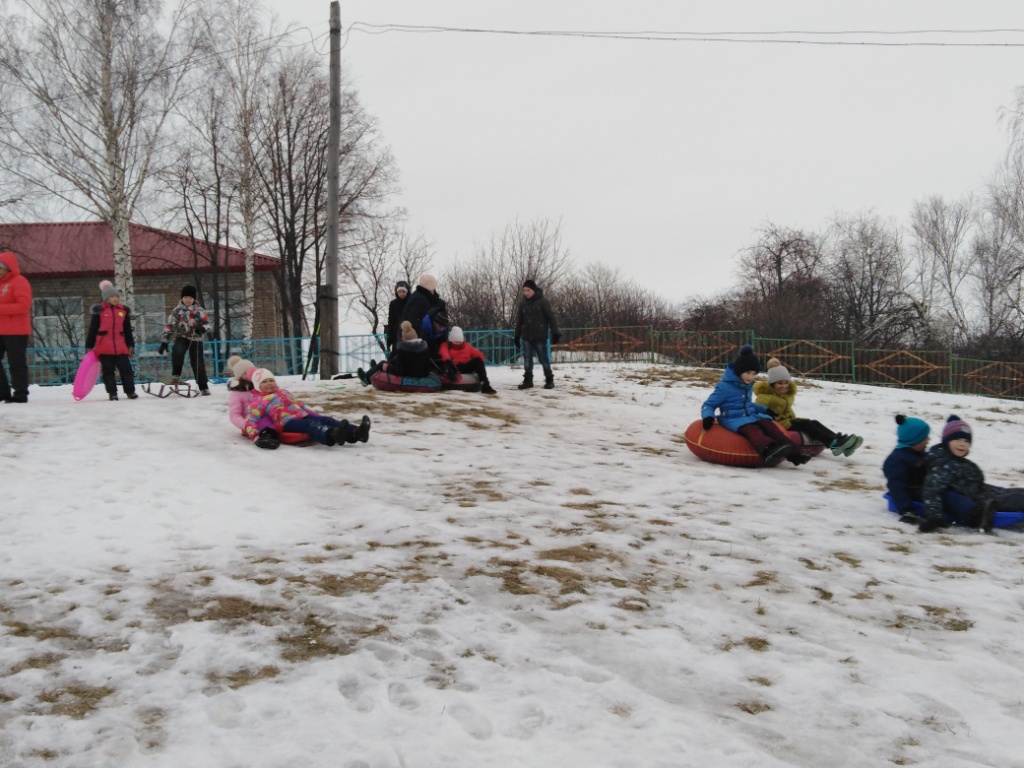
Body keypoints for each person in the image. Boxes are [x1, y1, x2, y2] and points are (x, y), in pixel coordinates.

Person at [700, 344, 806, 467]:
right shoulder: (724, 387)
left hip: (750, 415)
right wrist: (708, 417)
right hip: (733, 418)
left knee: (769, 425)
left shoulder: (747, 386)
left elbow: (748, 404)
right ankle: (769, 451)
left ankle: (794, 453)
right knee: (753, 430)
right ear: (739, 371)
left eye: (754, 373)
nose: (751, 377)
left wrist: (765, 410)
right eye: (748, 373)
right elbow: (708, 405)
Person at [918, 414, 1024, 533]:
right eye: (957, 439)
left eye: (966, 441)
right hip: (976, 499)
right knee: (1016, 499)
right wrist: (934, 517)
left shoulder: (954, 459)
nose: (962, 444)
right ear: (946, 441)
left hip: (981, 490)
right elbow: (931, 489)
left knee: (1016, 492)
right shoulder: (943, 464)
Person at [753, 358, 862, 457]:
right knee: (806, 424)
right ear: (772, 385)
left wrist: (793, 418)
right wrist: (772, 419)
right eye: (780, 383)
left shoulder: (785, 396)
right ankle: (833, 443)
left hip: (788, 421)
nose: (784, 386)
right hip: (778, 425)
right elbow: (757, 410)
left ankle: (838, 440)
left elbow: (788, 410)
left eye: (786, 383)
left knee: (814, 422)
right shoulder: (765, 396)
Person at [244, 368, 372, 447]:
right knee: (310, 425)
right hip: (287, 422)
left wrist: (314, 415)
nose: (269, 384)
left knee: (327, 420)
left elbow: (299, 405)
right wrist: (256, 436)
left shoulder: (283, 392)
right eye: (264, 382)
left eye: (271, 380)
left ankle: (356, 432)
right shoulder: (258, 401)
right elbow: (252, 419)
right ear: (257, 385)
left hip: (300, 415)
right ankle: (331, 435)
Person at [85, 281, 138, 401]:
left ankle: (130, 391)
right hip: (104, 348)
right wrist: (89, 345)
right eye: (112, 296)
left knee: (126, 369)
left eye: (117, 296)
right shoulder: (99, 311)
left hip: (120, 347)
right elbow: (93, 329)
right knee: (108, 371)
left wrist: (130, 345)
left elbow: (127, 330)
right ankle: (112, 393)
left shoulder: (122, 311)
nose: (115, 299)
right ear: (106, 298)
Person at [159, 285, 211, 395]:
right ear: (182, 298)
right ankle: (176, 375)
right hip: (181, 337)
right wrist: (164, 341)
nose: (188, 300)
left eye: (190, 298)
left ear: (194, 299)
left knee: (197, 362)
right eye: (186, 297)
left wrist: (202, 329)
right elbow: (169, 325)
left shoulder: (200, 311)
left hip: (196, 339)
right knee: (177, 351)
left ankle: (203, 387)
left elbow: (208, 325)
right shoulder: (177, 311)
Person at [882, 414, 932, 520]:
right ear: (915, 440)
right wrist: (907, 510)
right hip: (912, 493)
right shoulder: (896, 460)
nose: (928, 439)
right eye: (925, 437)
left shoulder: (919, 454)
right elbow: (897, 487)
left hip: (925, 489)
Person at [513, 278, 560, 390]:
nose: (526, 293)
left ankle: (549, 380)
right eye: (524, 290)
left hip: (540, 336)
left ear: (534, 290)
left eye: (528, 290)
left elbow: (551, 317)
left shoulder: (543, 302)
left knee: (543, 359)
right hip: (526, 336)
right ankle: (528, 380)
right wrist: (517, 335)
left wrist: (555, 332)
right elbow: (519, 321)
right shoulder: (522, 304)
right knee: (527, 359)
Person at [226, 355, 280, 449]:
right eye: (245, 373)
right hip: (251, 422)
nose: (250, 374)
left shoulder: (259, 386)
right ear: (240, 377)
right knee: (264, 420)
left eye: (251, 370)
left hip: (270, 415)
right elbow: (234, 415)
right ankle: (265, 437)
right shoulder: (237, 393)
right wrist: (246, 424)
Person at [0, 250, 32, 403]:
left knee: (16, 363)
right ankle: (2, 392)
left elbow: (23, 306)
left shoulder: (20, 282)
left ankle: (20, 393)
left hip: (16, 331)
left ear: (8, 268)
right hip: (1, 330)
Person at [358, 320, 431, 385]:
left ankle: (366, 379)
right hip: (421, 374)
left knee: (383, 363)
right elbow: (427, 367)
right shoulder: (424, 348)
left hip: (408, 374)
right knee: (395, 359)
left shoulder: (403, 351)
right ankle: (375, 368)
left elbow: (399, 372)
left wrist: (387, 368)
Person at [440, 326, 497, 395]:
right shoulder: (445, 345)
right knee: (447, 365)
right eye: (455, 342)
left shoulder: (467, 346)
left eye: (459, 342)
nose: (457, 344)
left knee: (478, 361)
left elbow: (478, 355)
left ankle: (485, 384)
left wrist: (479, 362)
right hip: (454, 366)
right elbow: (444, 353)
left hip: (465, 366)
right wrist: (448, 360)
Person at [402, 274, 446, 338]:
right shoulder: (418, 299)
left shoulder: (438, 302)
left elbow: (444, 322)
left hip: (433, 337)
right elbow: (413, 320)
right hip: (420, 337)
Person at [385, 280, 411, 352]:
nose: (401, 294)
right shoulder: (393, 304)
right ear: (397, 292)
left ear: (407, 292)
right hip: (397, 333)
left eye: (403, 291)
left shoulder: (411, 302)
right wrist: (389, 337)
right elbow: (391, 320)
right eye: (399, 292)